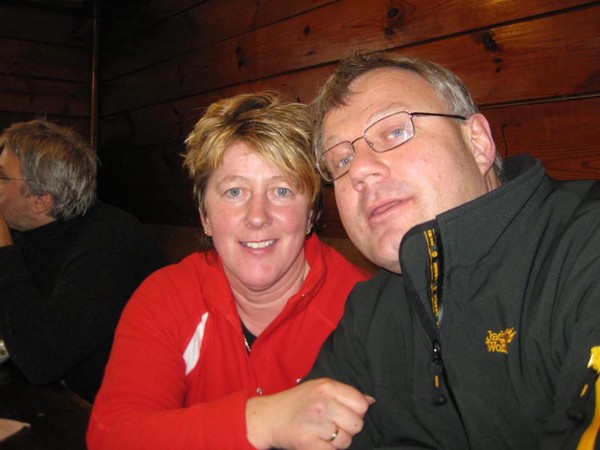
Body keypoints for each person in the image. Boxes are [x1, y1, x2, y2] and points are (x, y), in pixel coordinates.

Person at [305, 51, 600, 449]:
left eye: (395, 131)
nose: (358, 170)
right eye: (341, 159)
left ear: (477, 142)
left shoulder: (585, 249)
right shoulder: (369, 312)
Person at [86, 92, 372, 450]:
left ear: (311, 214)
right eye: (235, 191)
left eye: (282, 190)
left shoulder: (366, 308)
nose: (257, 216)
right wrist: (263, 421)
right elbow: (112, 436)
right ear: (205, 216)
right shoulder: (167, 297)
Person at [0, 119, 167, 402]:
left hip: (127, 410)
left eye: (1, 176)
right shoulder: (32, 234)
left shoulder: (109, 241)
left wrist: (3, 250)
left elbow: (41, 360)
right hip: (68, 397)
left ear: (41, 199)